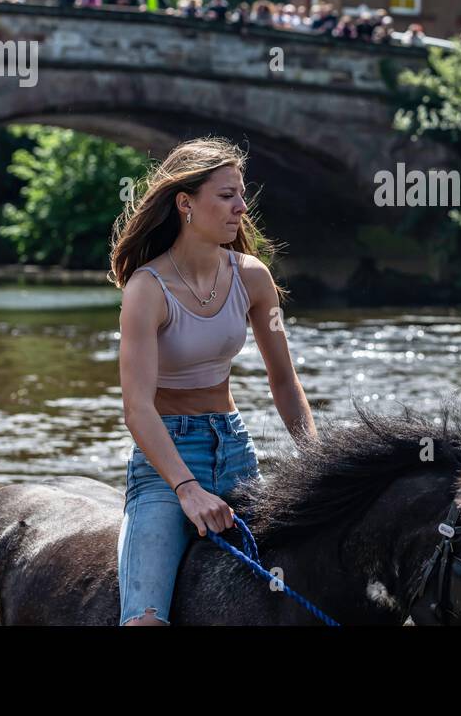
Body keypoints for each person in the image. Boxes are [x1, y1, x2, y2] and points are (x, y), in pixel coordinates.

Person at [109, 136, 316, 625]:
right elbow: (137, 408)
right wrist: (187, 489)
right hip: (166, 466)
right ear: (185, 203)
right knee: (145, 621)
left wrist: (315, 459)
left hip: (236, 451)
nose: (241, 208)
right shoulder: (146, 290)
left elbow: (284, 383)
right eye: (226, 196)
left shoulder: (254, 279)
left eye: (242, 195)